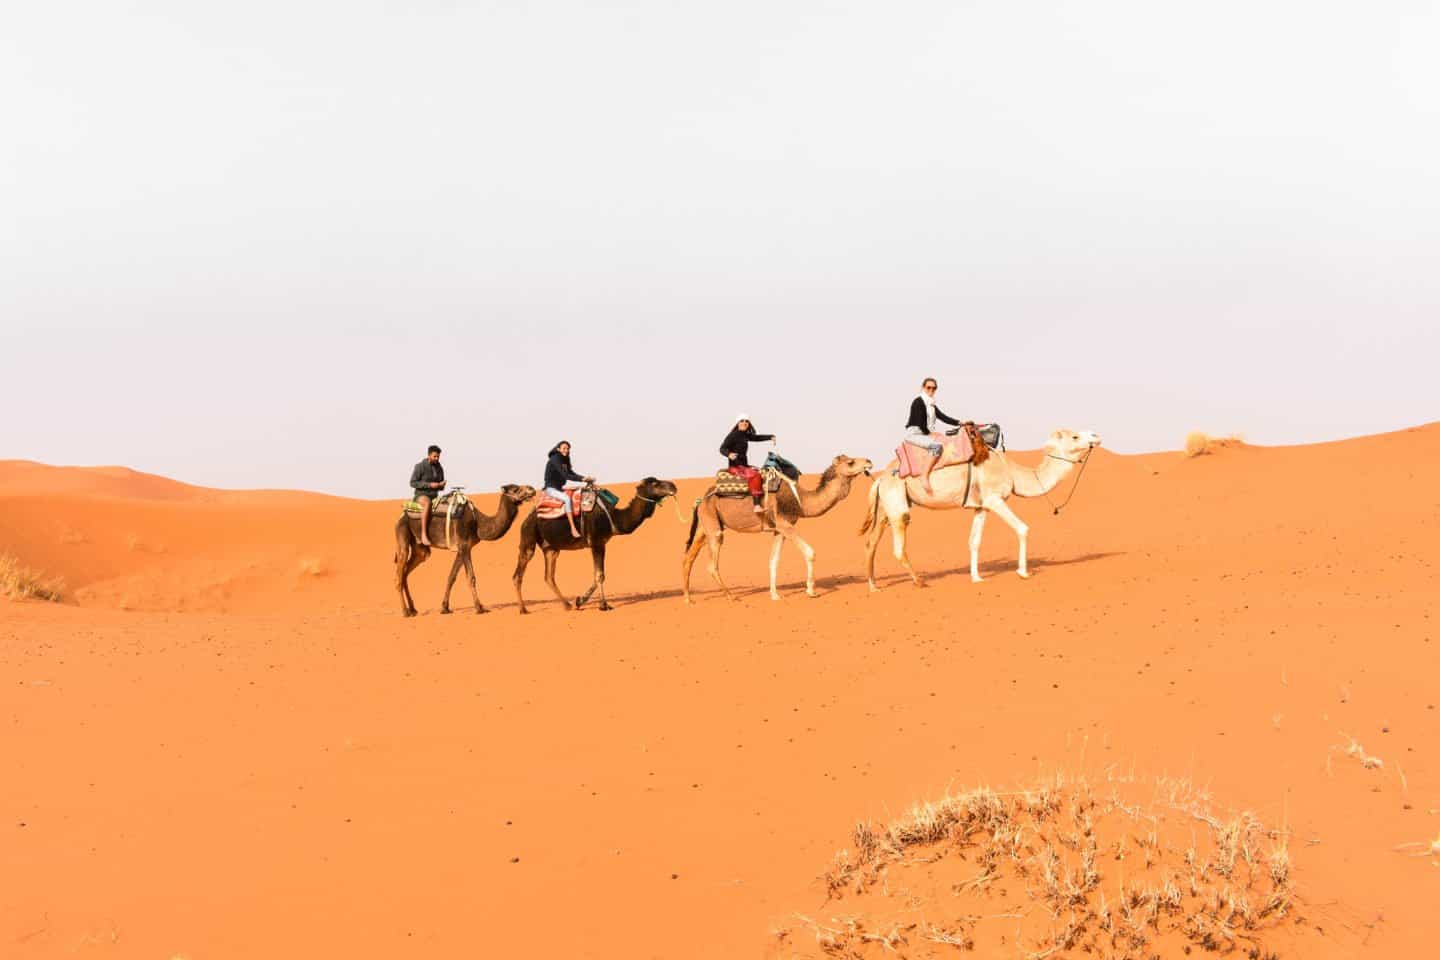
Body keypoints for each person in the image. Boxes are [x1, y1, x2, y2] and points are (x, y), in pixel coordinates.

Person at [905, 377, 961, 494]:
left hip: (924, 432)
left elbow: (943, 417)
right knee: (936, 446)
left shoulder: (931, 404)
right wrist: (930, 433)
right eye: (928, 387)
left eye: (934, 388)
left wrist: (960, 423)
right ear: (923, 388)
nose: (931, 390)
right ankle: (924, 475)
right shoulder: (918, 402)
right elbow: (920, 422)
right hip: (915, 433)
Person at [719, 414, 776, 514]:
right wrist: (729, 454)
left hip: (744, 466)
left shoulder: (744, 435)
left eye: (746, 421)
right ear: (738, 423)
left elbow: (756, 438)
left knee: (762, 472)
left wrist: (770, 437)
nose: (744, 423)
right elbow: (722, 448)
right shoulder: (733, 435)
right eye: (742, 421)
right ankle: (757, 505)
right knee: (755, 475)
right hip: (735, 467)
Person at [544, 441, 594, 539]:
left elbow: (571, 473)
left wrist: (585, 478)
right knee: (567, 499)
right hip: (551, 489)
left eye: (568, 449)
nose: (566, 450)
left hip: (560, 488)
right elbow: (566, 475)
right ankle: (573, 528)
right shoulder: (555, 459)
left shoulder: (565, 459)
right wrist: (582, 479)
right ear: (558, 449)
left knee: (582, 492)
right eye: (564, 448)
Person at [408, 444, 446, 546]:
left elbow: (440, 485)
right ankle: (423, 535)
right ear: (429, 455)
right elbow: (413, 483)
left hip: (435, 495)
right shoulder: (420, 466)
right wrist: (429, 485)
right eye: (435, 456)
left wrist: (441, 485)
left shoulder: (439, 468)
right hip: (421, 495)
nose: (437, 458)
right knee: (428, 503)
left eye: (438, 457)